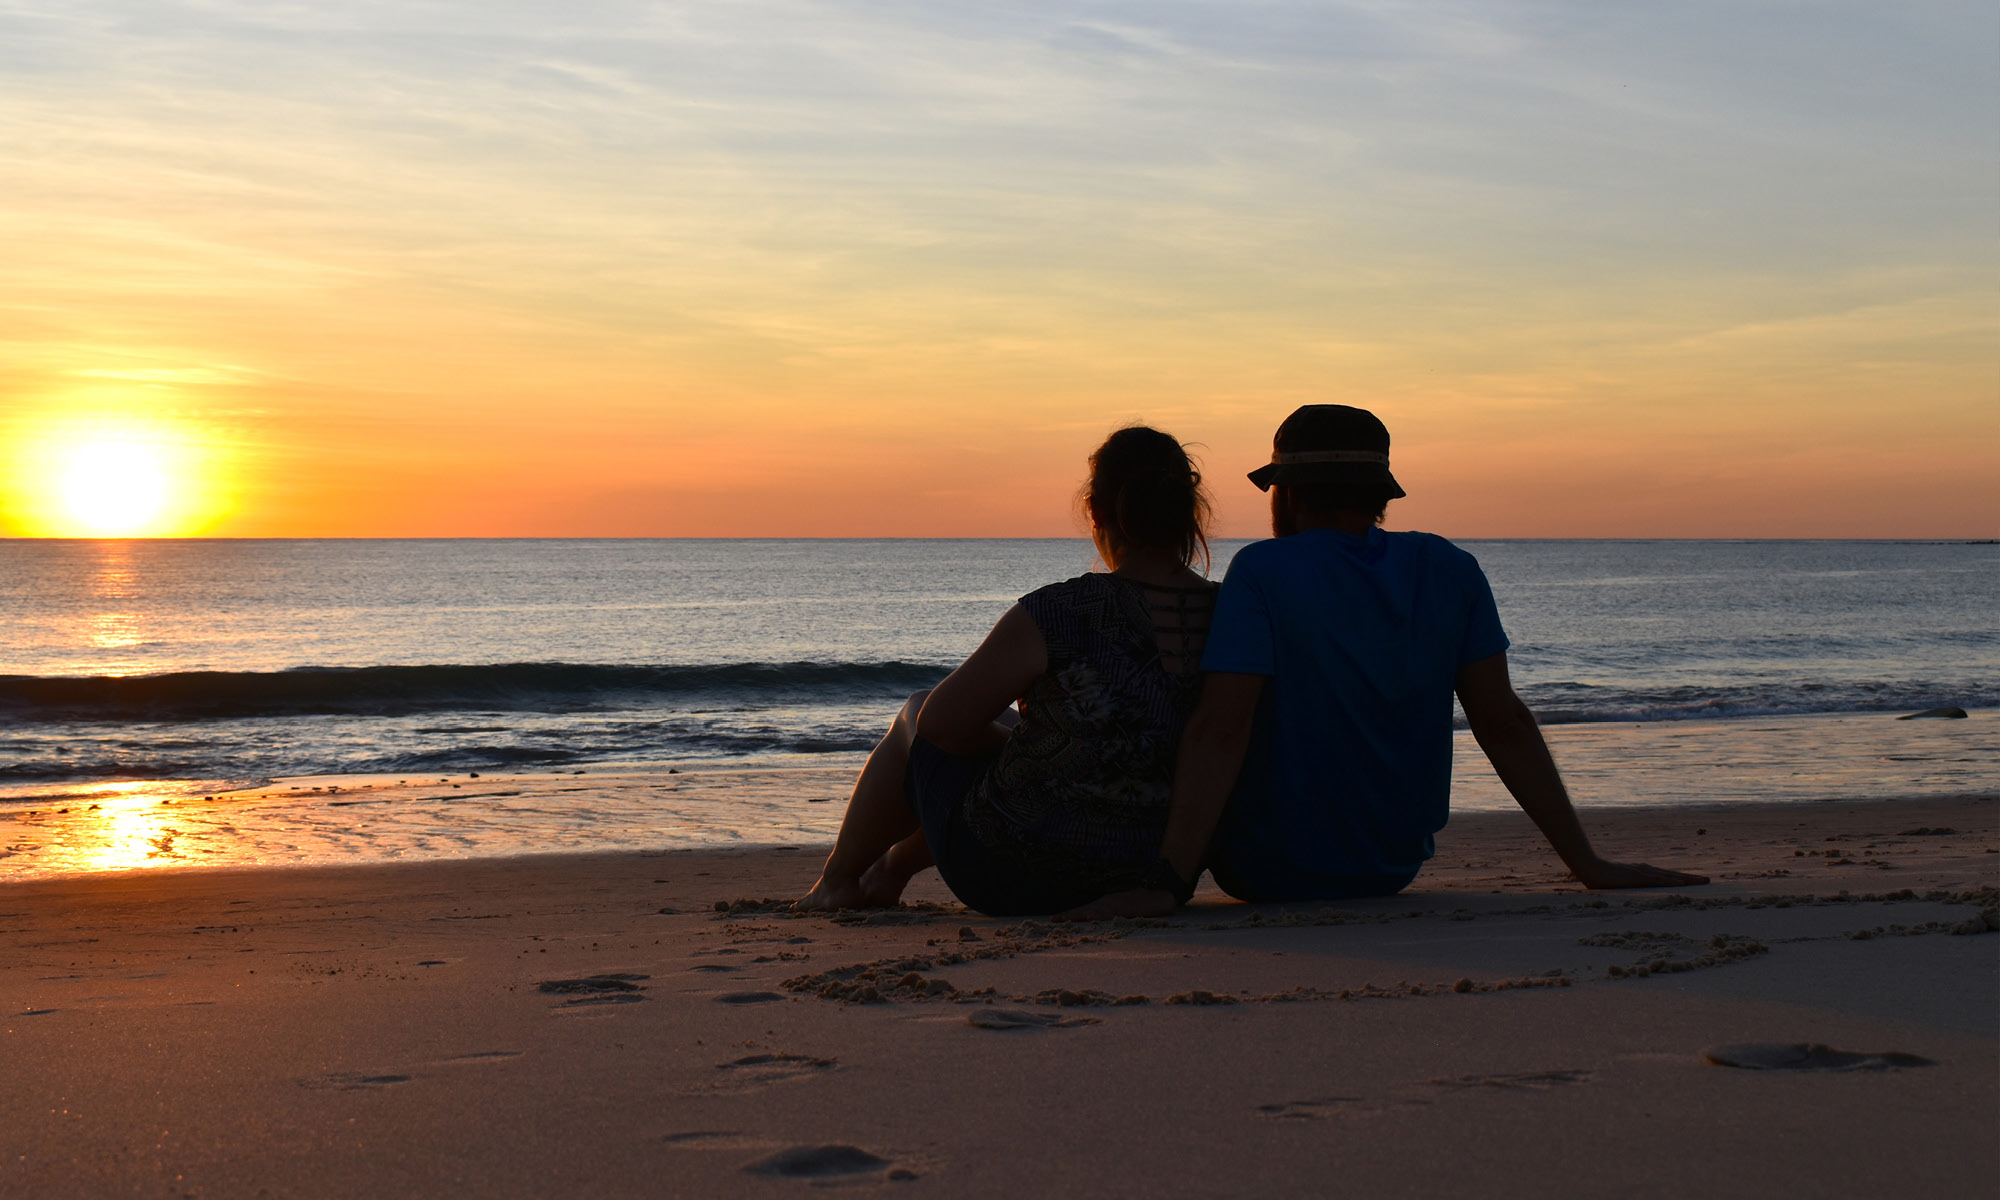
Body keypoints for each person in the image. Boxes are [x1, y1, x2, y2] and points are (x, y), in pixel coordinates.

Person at [1073, 405, 1706, 918]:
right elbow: (1504, 722)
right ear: (1380, 497)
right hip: (1390, 867)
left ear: (1285, 495)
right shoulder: (1449, 567)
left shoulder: (1264, 570)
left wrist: (1171, 880)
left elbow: (1221, 729)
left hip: (1267, 867)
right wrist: (1587, 864)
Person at [796, 425, 1220, 916]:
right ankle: (889, 870)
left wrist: (1025, 749)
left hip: (1018, 872)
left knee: (917, 714)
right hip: (1161, 866)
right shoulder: (1232, 615)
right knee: (1018, 737)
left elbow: (941, 725)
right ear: (1189, 513)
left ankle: (838, 880)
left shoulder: (1060, 610)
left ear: (1096, 511)